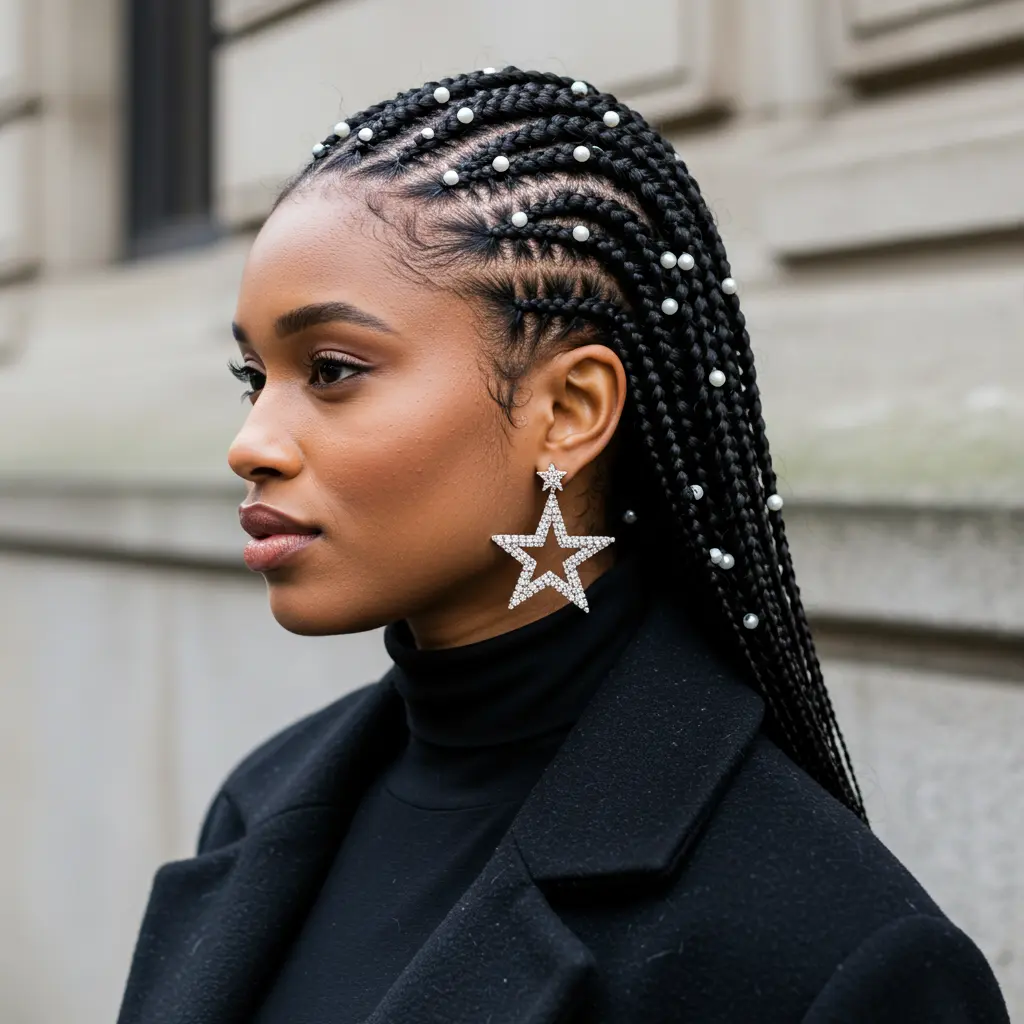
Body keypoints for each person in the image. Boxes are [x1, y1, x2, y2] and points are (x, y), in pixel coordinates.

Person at [116, 67, 1010, 1023]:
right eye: (254, 376)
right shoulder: (262, 810)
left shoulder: (828, 951)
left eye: (331, 370)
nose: (251, 442)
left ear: (569, 411)